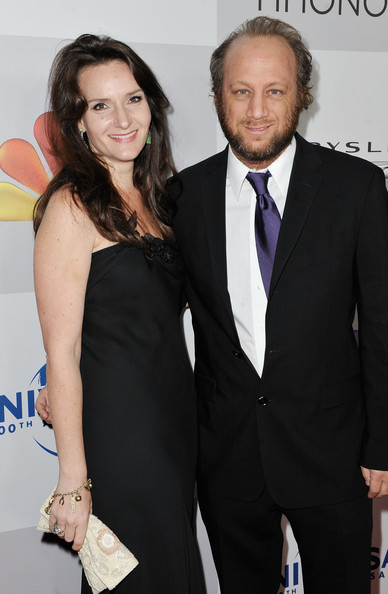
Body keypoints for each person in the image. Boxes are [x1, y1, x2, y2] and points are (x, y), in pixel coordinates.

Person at [168, 16, 388, 594]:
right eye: (240, 91)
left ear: (302, 96)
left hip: (335, 455)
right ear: (219, 96)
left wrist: (382, 444)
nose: (257, 110)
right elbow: (153, 316)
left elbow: (384, 324)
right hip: (228, 454)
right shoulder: (183, 197)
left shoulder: (357, 187)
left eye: (275, 91)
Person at [33, 34, 205, 594]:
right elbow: (62, 352)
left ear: (150, 103)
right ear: (78, 122)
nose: (122, 118)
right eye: (100, 105)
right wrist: (73, 482)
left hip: (174, 426)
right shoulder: (70, 206)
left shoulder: (159, 201)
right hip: (122, 436)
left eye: (132, 98)